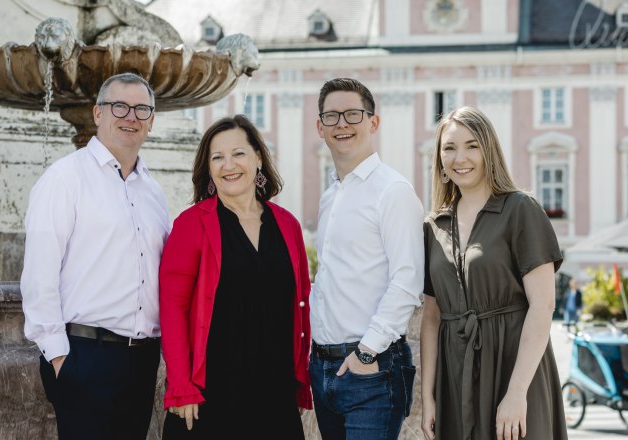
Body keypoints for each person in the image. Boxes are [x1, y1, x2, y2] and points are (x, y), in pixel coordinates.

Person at [21, 72, 170, 439]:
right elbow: (40, 273)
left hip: (142, 358)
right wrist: (59, 358)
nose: (130, 116)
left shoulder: (153, 191)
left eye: (141, 109)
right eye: (119, 105)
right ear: (98, 114)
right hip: (85, 354)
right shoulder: (64, 178)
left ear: (151, 121)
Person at [159, 115, 312, 439]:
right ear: (209, 169)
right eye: (218, 157)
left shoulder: (288, 225)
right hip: (210, 395)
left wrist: (300, 382)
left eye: (238, 153)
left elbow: (300, 305)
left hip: (275, 391)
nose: (229, 165)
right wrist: (181, 386)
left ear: (258, 157)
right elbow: (172, 309)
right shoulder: (191, 225)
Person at [420, 106, 568, 440]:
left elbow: (543, 306)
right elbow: (431, 315)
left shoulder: (521, 210)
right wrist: (428, 396)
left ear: (489, 150)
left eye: (472, 145)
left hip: (514, 368)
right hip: (455, 373)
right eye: (450, 148)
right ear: (439, 159)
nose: (461, 157)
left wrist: (516, 392)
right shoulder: (433, 226)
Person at [310, 78, 425, 440]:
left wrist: (365, 354)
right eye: (331, 116)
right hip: (324, 366)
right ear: (320, 127)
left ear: (373, 123)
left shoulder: (393, 191)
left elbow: (407, 282)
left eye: (353, 114)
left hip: (372, 368)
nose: (341, 124)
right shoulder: (331, 196)